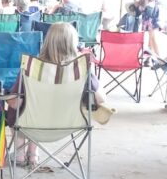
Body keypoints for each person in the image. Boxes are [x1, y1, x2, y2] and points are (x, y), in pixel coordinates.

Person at [8, 23, 112, 165]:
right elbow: (101, 99)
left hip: (32, 123)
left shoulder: (32, 68)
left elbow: (15, 103)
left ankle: (21, 152)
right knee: (39, 107)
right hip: (69, 124)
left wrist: (3, 99)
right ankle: (33, 154)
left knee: (22, 106)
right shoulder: (81, 69)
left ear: (48, 41)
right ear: (73, 43)